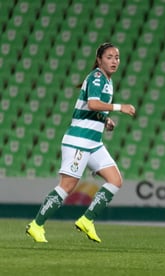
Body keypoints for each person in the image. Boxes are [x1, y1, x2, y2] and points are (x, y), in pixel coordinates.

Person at [25, 42, 136, 243]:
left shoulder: (107, 81)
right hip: (79, 140)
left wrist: (105, 119)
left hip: (93, 142)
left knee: (115, 180)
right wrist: (120, 108)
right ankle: (36, 224)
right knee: (67, 186)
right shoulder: (96, 77)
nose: (114, 61)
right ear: (99, 59)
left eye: (117, 57)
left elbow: (90, 108)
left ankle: (87, 220)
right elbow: (93, 103)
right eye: (109, 57)